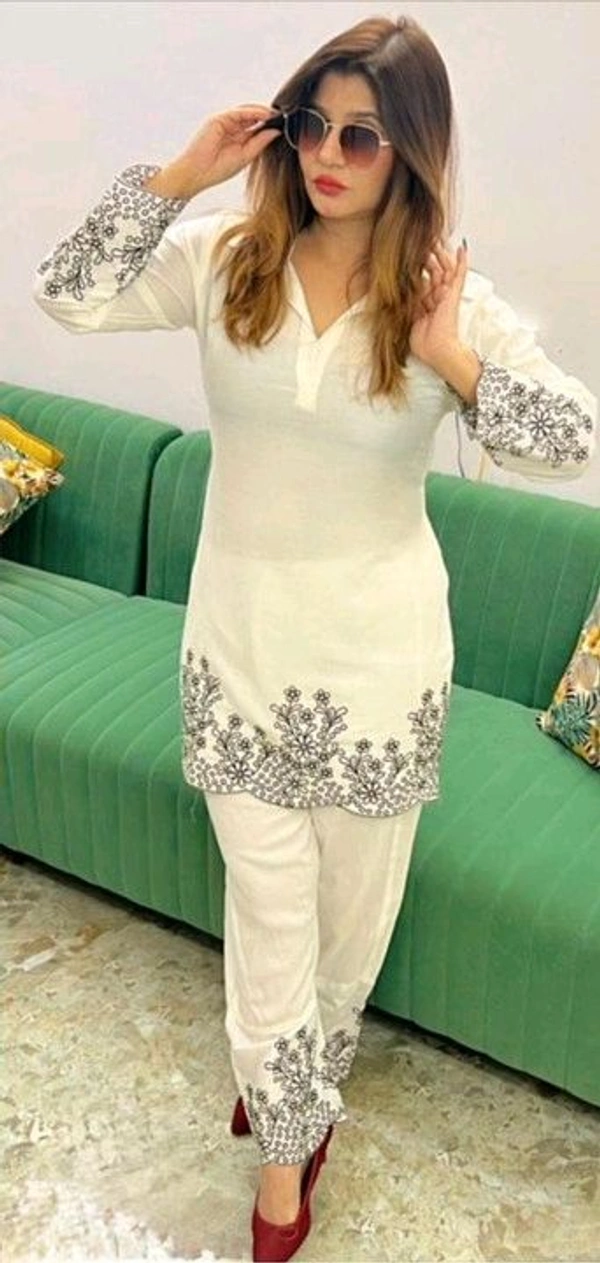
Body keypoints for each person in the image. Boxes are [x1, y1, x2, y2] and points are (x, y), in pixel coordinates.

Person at [32, 13, 596, 1261]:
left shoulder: (446, 298)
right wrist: (181, 176)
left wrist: (453, 359)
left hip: (382, 671)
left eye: (363, 136)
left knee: (349, 925)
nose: (329, 155)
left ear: (412, 153)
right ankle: (285, 1161)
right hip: (239, 653)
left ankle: (298, 1079)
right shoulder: (225, 257)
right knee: (271, 913)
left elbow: (573, 443)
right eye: (311, 124)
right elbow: (64, 294)